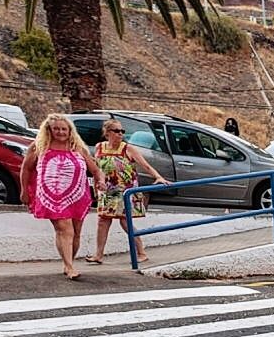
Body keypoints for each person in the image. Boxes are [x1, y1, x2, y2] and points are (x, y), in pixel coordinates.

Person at [21, 113, 104, 280]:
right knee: (64, 229)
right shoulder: (39, 147)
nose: (60, 132)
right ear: (49, 130)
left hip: (77, 194)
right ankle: (69, 266)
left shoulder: (77, 147)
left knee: (76, 232)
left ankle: (68, 262)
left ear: (70, 130)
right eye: (56, 129)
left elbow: (95, 170)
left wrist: (100, 181)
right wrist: (24, 190)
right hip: (50, 196)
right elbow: (26, 168)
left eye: (64, 129)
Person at [87, 119, 169, 265]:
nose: (121, 134)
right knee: (102, 221)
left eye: (122, 131)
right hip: (107, 191)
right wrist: (96, 186)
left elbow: (145, 165)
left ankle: (141, 252)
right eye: (117, 131)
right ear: (107, 133)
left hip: (125, 191)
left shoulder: (128, 149)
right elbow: (97, 168)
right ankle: (98, 255)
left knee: (125, 222)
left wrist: (158, 177)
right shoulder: (99, 147)